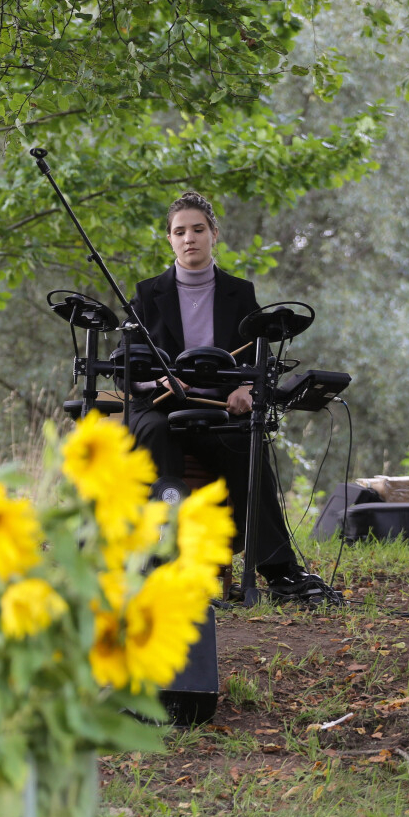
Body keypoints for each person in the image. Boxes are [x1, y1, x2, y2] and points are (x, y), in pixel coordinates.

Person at [125, 190, 339, 606]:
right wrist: (157, 386)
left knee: (249, 447)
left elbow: (257, 360)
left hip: (218, 411)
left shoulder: (240, 294)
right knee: (154, 437)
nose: (190, 239)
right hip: (160, 408)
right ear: (169, 239)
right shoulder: (146, 293)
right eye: (180, 231)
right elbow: (129, 364)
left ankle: (278, 573)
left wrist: (246, 389)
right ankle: (160, 563)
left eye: (198, 230)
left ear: (214, 234)